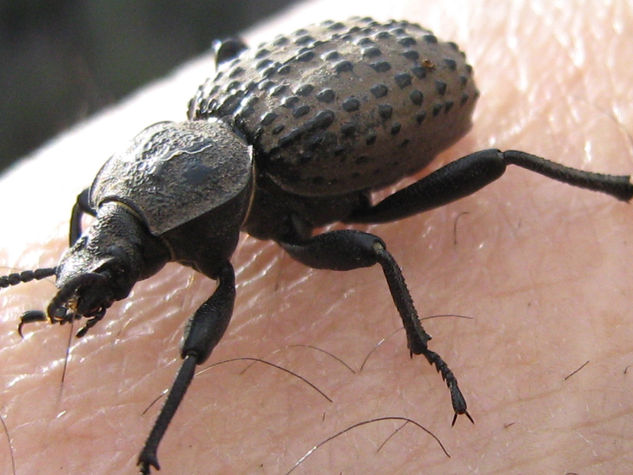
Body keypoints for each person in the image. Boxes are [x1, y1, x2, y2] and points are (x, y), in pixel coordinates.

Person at [1, 1, 632, 472]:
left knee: (480, 174)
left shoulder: (257, 181)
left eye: (116, 273)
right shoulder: (159, 173)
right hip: (352, 56)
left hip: (420, 86)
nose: (104, 259)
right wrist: (91, 267)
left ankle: (615, 189)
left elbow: (374, 250)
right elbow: (91, 204)